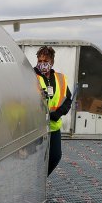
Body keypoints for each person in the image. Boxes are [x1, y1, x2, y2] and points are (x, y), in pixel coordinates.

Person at [34, 46, 71, 176]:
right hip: (35, 127)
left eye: (45, 61)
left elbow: (67, 100)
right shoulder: (30, 76)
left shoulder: (60, 79)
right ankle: (34, 183)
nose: (42, 64)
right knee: (33, 159)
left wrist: (58, 113)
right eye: (40, 61)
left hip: (53, 126)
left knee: (55, 156)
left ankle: (41, 179)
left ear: (52, 62)